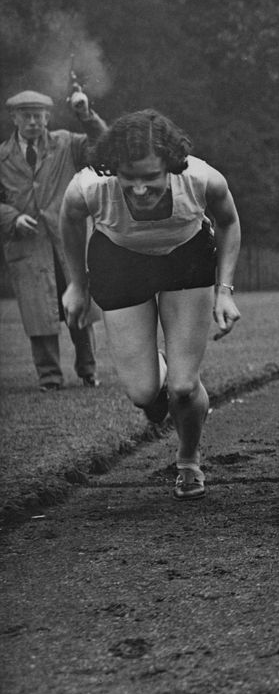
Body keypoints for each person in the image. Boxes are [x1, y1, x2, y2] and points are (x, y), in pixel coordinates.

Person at [61, 110, 242, 500]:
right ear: (114, 170)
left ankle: (188, 461)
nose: (140, 190)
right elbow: (70, 218)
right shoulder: (90, 187)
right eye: (130, 179)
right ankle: (160, 362)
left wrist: (224, 290)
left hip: (185, 258)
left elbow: (228, 221)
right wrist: (77, 284)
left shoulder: (201, 179)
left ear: (170, 168)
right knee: (144, 395)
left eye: (151, 179)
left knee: (181, 387)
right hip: (119, 261)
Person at [1, 87, 106, 390]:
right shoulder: (2, 156)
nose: (33, 121)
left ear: (47, 117)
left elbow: (103, 143)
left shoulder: (67, 144)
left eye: (39, 115)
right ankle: (49, 378)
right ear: (14, 118)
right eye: (26, 116)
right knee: (38, 314)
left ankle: (88, 371)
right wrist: (11, 217)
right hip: (27, 247)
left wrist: (85, 114)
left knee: (80, 307)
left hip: (68, 242)